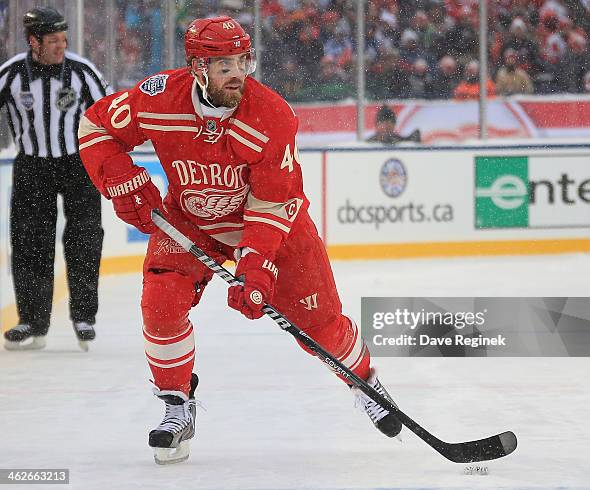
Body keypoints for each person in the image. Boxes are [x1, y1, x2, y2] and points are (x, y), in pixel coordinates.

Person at [78, 16, 402, 465]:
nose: (237, 72)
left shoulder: (272, 116)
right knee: (161, 301)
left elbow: (272, 202)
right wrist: (121, 179)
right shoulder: (157, 98)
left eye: (242, 60)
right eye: (223, 63)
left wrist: (256, 264)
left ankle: (366, 381)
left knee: (318, 327)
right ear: (197, 67)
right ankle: (177, 405)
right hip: (191, 221)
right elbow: (96, 128)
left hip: (274, 227)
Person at [1, 7, 112, 351]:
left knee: (84, 239)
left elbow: (111, 112)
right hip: (32, 167)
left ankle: (84, 316)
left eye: (64, 39)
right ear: (33, 41)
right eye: (53, 41)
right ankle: (32, 321)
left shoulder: (82, 72)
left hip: (78, 165)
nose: (61, 46)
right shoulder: (11, 74)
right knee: (29, 243)